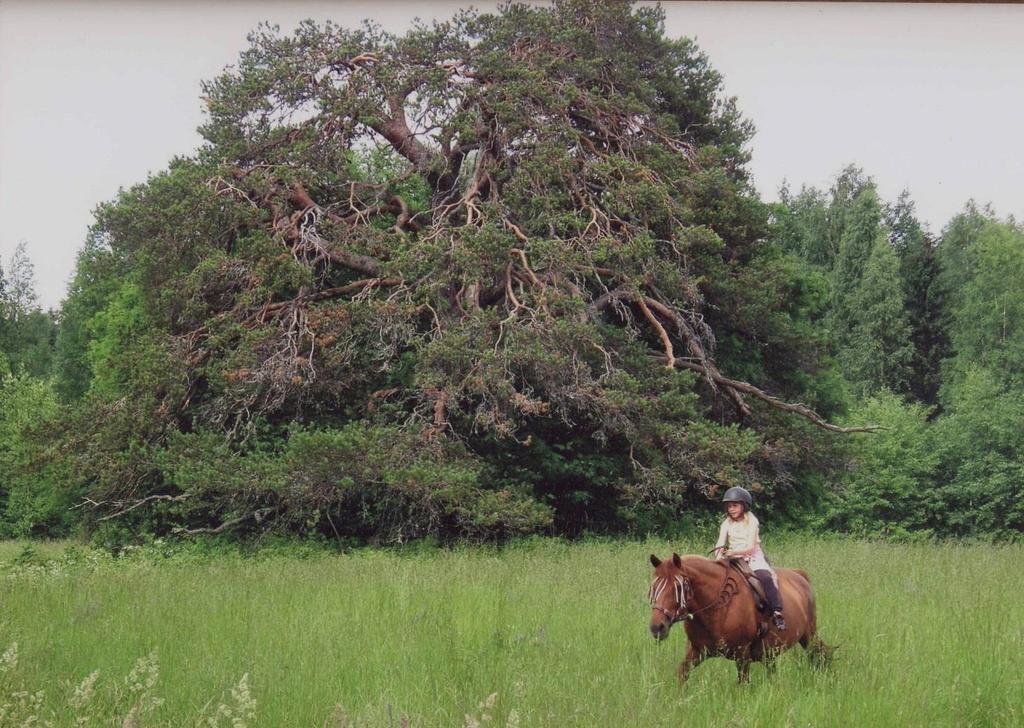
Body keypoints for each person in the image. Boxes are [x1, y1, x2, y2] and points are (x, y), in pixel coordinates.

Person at [713, 486, 786, 630]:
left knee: (765, 577)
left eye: (735, 505)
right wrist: (718, 556)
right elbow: (721, 542)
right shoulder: (726, 523)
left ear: (744, 505)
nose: (731, 509)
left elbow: (751, 547)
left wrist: (732, 552)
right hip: (733, 557)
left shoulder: (752, 520)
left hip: (752, 557)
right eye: (729, 506)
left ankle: (777, 611)